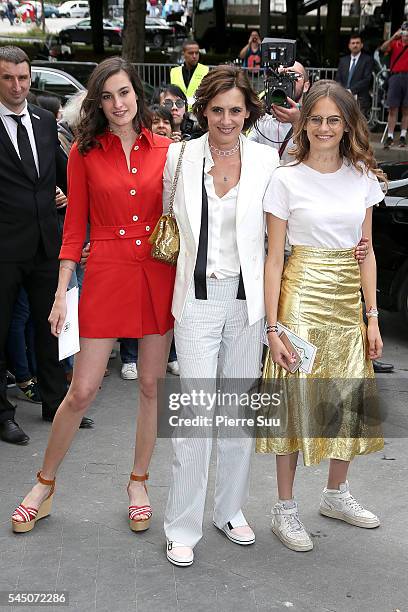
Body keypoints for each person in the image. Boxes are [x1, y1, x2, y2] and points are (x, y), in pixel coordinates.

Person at [11, 57, 175, 534]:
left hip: (156, 275)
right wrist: (62, 292)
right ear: (97, 104)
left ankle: (138, 482)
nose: (118, 104)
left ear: (137, 95)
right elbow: (74, 227)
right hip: (104, 271)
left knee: (149, 385)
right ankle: (44, 484)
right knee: (81, 390)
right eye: (107, 96)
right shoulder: (83, 152)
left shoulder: (168, 149)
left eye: (124, 93)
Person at [257, 79, 386, 552]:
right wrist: (273, 327)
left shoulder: (363, 178)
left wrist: (372, 316)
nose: (325, 128)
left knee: (346, 396)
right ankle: (285, 508)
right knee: (295, 400)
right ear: (302, 123)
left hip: (347, 303)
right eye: (316, 119)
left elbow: (367, 252)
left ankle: (336, 494)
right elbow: (274, 259)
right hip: (301, 297)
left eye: (335, 119)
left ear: (347, 124)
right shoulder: (285, 178)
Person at [163, 66, 280, 567]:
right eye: (217, 110)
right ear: (202, 111)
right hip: (195, 300)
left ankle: (228, 509)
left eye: (236, 110)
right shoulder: (181, 155)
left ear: (248, 111)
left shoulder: (267, 159)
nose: (227, 120)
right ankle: (182, 525)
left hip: (248, 304)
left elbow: (282, 231)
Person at [0, 46, 70, 445]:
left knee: (51, 328)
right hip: (5, 248)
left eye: (23, 78)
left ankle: (55, 401)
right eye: (8, 78)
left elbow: (63, 173)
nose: (17, 86)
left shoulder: (45, 121)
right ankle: (3, 414)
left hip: (47, 243)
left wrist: (71, 197)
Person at [247, 61, 310, 162]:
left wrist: (297, 122)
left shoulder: (313, 120)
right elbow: (246, 150)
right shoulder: (262, 119)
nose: (285, 81)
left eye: (292, 75)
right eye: (280, 75)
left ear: (306, 86)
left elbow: (314, 156)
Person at [380, 23, 408, 148]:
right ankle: (390, 136)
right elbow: (383, 48)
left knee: (406, 109)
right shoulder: (395, 44)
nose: (405, 34)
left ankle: (403, 135)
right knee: (393, 108)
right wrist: (393, 37)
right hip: (395, 76)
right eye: (404, 31)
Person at [336, 33, 374, 118]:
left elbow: (367, 79)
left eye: (357, 43)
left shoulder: (367, 60)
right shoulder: (343, 60)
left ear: (361, 45)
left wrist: (351, 90)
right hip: (343, 97)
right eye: (353, 43)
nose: (355, 45)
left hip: (360, 97)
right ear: (349, 45)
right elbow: (338, 78)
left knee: (358, 124)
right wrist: (343, 91)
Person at [170, 40, 209, 110]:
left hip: (198, 112)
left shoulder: (206, 71)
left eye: (197, 53)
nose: (194, 56)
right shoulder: (174, 72)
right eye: (191, 53)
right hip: (179, 112)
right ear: (183, 54)